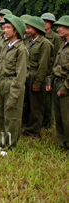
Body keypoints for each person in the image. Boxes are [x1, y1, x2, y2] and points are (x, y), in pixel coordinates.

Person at [0, 15, 28, 156]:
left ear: (16, 30)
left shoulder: (21, 50)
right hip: (1, 83)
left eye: (8, 27)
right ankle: (1, 142)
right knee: (1, 115)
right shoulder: (6, 46)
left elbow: (20, 76)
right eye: (4, 27)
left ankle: (9, 146)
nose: (4, 30)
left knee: (12, 117)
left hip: (12, 84)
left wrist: (13, 96)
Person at [22, 17, 53, 138]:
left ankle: (33, 131)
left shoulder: (45, 44)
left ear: (37, 29)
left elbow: (44, 66)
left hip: (36, 75)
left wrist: (38, 83)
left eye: (29, 28)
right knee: (25, 103)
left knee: (36, 106)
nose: (27, 30)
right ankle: (24, 127)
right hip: (27, 74)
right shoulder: (28, 41)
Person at [46, 15, 69, 152]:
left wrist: (65, 88)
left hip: (66, 84)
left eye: (61, 26)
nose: (58, 29)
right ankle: (63, 144)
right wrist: (50, 80)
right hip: (58, 82)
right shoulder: (62, 44)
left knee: (67, 118)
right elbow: (56, 66)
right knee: (59, 117)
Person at [41, 12, 63, 130]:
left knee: (49, 101)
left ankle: (48, 125)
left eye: (47, 21)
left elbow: (56, 57)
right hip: (41, 71)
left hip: (50, 71)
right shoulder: (40, 36)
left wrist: (52, 75)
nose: (45, 24)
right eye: (43, 21)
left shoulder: (55, 37)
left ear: (51, 24)